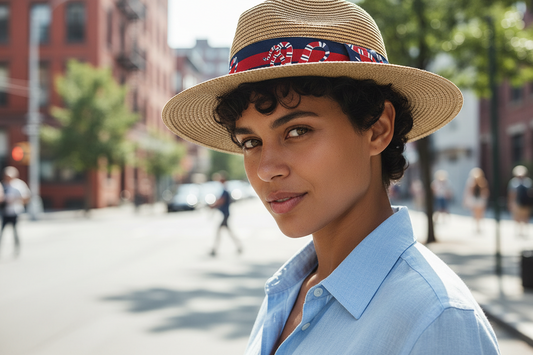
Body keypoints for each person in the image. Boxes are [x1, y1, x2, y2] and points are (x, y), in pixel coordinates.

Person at [162, 0, 500, 353]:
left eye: (297, 131)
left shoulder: (434, 321)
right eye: (250, 141)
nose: (265, 168)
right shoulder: (291, 291)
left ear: (377, 129)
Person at [209, 172, 243, 256]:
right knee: (228, 231)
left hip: (225, 214)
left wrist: (213, 205)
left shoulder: (225, 190)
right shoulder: (224, 189)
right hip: (225, 214)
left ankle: (214, 249)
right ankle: (239, 246)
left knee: (220, 231)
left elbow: (221, 200)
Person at [0, 166, 31, 257]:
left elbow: (26, 198)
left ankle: (16, 250)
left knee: (15, 232)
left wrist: (15, 199)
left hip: (15, 211)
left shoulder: (19, 185)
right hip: (4, 211)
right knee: (2, 232)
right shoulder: (2, 185)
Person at [508, 165, 533, 237]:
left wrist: (510, 203)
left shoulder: (514, 182)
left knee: (521, 217)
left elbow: (511, 194)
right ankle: (521, 231)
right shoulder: (528, 181)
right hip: (522, 203)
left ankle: (520, 231)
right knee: (522, 217)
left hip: (519, 203)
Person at [464, 167, 490, 233]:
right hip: (474, 199)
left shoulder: (482, 181)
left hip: (480, 199)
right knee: (475, 213)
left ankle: (479, 226)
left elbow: (485, 191)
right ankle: (476, 226)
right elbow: (468, 191)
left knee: (480, 213)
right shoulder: (471, 182)